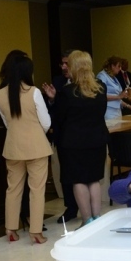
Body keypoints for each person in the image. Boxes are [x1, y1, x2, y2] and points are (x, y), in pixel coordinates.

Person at [0, 54, 52, 244]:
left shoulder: (0, 94)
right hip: (36, 147)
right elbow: (46, 122)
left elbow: (7, 123)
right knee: (36, 190)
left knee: (13, 189)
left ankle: (10, 229)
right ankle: (36, 232)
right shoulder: (33, 92)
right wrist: (36, 132)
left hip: (12, 147)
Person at [55, 50, 109, 227]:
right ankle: (97, 217)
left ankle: (86, 220)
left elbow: (60, 118)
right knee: (94, 179)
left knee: (79, 180)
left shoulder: (67, 92)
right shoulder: (101, 88)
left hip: (74, 143)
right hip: (97, 140)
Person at [41, 50, 79, 224]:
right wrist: (51, 100)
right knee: (66, 173)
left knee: (83, 174)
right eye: (62, 64)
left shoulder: (84, 83)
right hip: (63, 135)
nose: (64, 67)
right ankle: (71, 207)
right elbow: (52, 110)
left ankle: (87, 205)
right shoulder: (57, 82)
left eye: (67, 63)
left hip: (81, 135)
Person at [96, 56, 131, 120]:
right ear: (112, 66)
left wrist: (129, 107)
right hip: (107, 110)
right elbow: (100, 95)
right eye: (118, 66)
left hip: (117, 110)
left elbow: (118, 98)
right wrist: (119, 96)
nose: (120, 69)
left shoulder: (114, 77)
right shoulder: (102, 76)